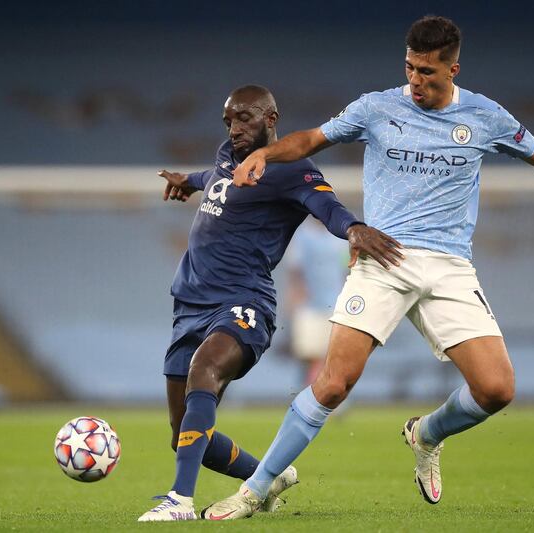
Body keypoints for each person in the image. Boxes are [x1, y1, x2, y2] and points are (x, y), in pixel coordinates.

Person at [203, 16, 534, 520]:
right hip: (384, 260)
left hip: (449, 269)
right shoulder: (377, 107)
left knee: (496, 389)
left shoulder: (485, 116)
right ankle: (255, 491)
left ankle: (426, 434)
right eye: (410, 69)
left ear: (453, 68)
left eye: (428, 73)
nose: (416, 81)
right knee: (333, 383)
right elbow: (312, 138)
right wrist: (265, 153)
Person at [137, 85, 402, 522]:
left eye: (245, 119)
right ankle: (268, 476)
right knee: (182, 431)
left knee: (204, 372)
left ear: (271, 118)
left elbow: (326, 205)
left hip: (243, 303)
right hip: (189, 305)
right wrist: (190, 181)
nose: (235, 129)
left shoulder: (292, 168)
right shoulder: (229, 154)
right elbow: (215, 177)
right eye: (229, 121)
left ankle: (179, 501)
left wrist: (353, 228)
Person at [284, 217, 350, 385]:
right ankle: (311, 397)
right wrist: (294, 299)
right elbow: (295, 270)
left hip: (336, 305)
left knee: (333, 356)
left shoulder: (340, 236)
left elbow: (346, 269)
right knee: (310, 356)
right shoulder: (302, 235)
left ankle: (324, 398)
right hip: (309, 306)